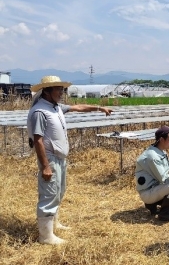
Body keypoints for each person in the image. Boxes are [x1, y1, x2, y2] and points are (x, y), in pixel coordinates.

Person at [27, 75, 113, 245]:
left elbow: (77, 107)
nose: (61, 92)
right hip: (50, 159)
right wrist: (45, 166)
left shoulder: (55, 107)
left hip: (59, 158)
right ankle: (45, 237)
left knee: (58, 191)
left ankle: (54, 223)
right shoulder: (40, 112)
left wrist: (99, 108)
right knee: (49, 194)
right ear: (47, 91)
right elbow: (38, 140)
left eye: (62, 89)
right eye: (58, 89)